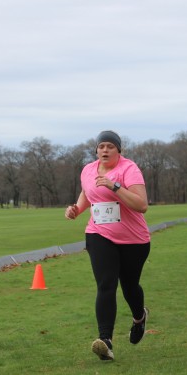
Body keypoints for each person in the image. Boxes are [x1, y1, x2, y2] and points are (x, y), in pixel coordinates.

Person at [65, 130, 150, 362]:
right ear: (96, 150)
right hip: (99, 234)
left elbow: (142, 205)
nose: (105, 150)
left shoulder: (129, 169)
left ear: (119, 150)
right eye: (101, 146)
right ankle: (106, 341)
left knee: (130, 286)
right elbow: (87, 193)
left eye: (110, 146)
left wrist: (115, 187)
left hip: (134, 239)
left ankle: (139, 317)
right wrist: (75, 209)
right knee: (106, 284)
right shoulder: (88, 170)